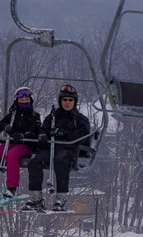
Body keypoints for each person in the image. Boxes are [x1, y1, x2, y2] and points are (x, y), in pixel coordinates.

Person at [24, 84, 92, 212]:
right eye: (64, 100)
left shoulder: (80, 119)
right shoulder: (53, 117)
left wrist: (64, 134)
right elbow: (43, 128)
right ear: (60, 101)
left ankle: (61, 198)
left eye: (70, 100)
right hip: (51, 148)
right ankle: (36, 198)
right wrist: (43, 134)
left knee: (60, 161)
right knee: (34, 162)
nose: (67, 103)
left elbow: (83, 135)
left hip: (68, 149)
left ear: (74, 102)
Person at [0, 86, 40, 197]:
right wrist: (4, 128)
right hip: (12, 143)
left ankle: (12, 188)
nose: (23, 102)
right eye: (21, 100)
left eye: (26, 100)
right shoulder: (13, 114)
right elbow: (2, 123)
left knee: (11, 155)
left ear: (31, 101)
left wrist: (23, 135)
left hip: (26, 146)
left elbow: (35, 131)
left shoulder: (34, 116)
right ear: (17, 101)